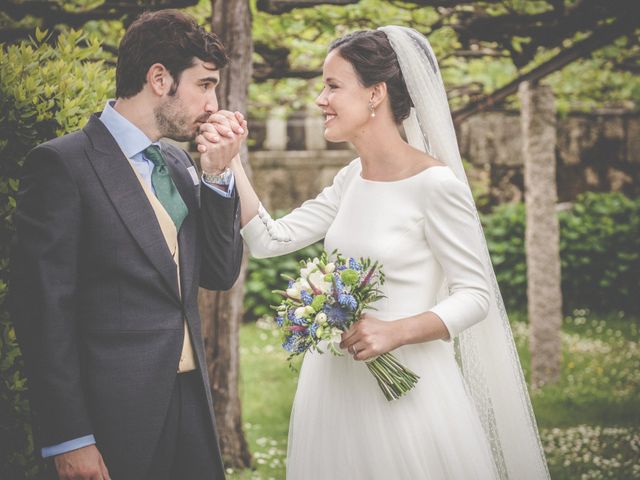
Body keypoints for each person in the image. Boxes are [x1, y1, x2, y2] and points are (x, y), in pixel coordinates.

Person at [201, 26, 550, 479]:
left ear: (375, 94)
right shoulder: (352, 178)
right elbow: (271, 239)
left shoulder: (436, 185)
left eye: (332, 86)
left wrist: (395, 331)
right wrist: (230, 160)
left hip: (408, 392)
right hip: (335, 388)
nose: (320, 99)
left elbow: (475, 294)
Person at [9, 10, 244, 480]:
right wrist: (69, 436)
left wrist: (218, 176)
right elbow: (43, 311)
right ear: (159, 78)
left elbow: (218, 274)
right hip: (110, 419)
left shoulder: (179, 166)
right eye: (205, 85)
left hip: (189, 407)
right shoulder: (62, 164)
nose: (213, 104)